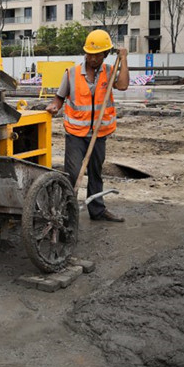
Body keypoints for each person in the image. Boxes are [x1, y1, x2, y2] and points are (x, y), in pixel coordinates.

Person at [45, 29, 129, 222]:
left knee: (95, 173)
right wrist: (54, 106)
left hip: (99, 134)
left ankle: (97, 211)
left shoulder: (109, 71)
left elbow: (123, 85)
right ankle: (66, 214)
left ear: (105, 55)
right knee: (73, 174)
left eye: (97, 54)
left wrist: (123, 59)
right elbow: (59, 98)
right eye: (89, 53)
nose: (92, 58)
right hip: (75, 134)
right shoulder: (72, 74)